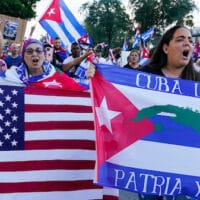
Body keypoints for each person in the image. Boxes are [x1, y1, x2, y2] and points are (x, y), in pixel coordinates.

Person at [119, 25, 200, 200]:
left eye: (190, 41)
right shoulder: (144, 76)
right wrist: (97, 75)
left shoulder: (197, 79)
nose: (188, 43)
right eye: (180, 39)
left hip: (185, 161)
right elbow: (122, 100)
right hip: (150, 159)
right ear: (165, 47)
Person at [0, 38, 87, 91]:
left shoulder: (54, 72)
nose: (34, 54)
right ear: (23, 56)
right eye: (29, 51)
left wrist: (94, 78)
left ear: (44, 55)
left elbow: (78, 86)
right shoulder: (12, 75)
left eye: (38, 51)